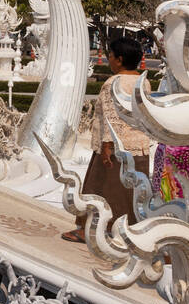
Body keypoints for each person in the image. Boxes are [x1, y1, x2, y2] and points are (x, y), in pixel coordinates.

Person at [62, 36, 152, 243]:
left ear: (119, 59)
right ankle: (127, 231)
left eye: (110, 56)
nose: (109, 60)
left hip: (113, 149)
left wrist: (106, 147)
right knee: (131, 192)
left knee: (98, 189)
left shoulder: (113, 83)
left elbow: (111, 118)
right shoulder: (143, 82)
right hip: (138, 148)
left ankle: (88, 230)